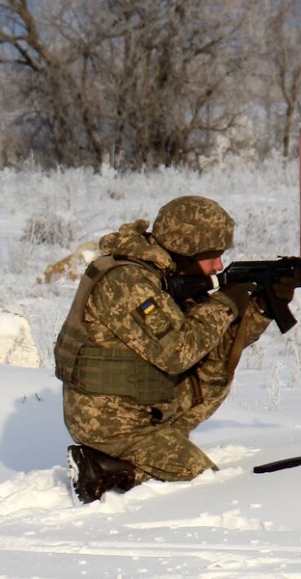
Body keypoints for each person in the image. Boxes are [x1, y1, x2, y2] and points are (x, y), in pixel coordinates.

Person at [54, 195, 288, 504]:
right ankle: (104, 468)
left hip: (136, 404)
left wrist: (261, 308)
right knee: (200, 476)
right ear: (185, 250)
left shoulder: (160, 273)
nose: (218, 265)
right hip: (108, 421)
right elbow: (179, 352)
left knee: (215, 367)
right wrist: (227, 301)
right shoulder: (128, 282)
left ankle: (163, 442)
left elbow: (213, 342)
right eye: (212, 256)